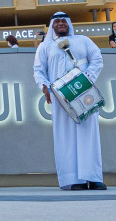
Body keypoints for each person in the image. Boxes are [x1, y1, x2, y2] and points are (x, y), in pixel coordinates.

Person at [32, 12, 106, 191]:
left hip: (84, 93)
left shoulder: (83, 40)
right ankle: (72, 179)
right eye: (57, 21)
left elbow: (97, 59)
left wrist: (85, 79)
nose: (60, 24)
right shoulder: (45, 46)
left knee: (89, 134)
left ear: (69, 23)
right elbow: (39, 70)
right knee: (65, 136)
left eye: (63, 21)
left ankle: (93, 178)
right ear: (52, 25)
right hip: (60, 97)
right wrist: (44, 87)